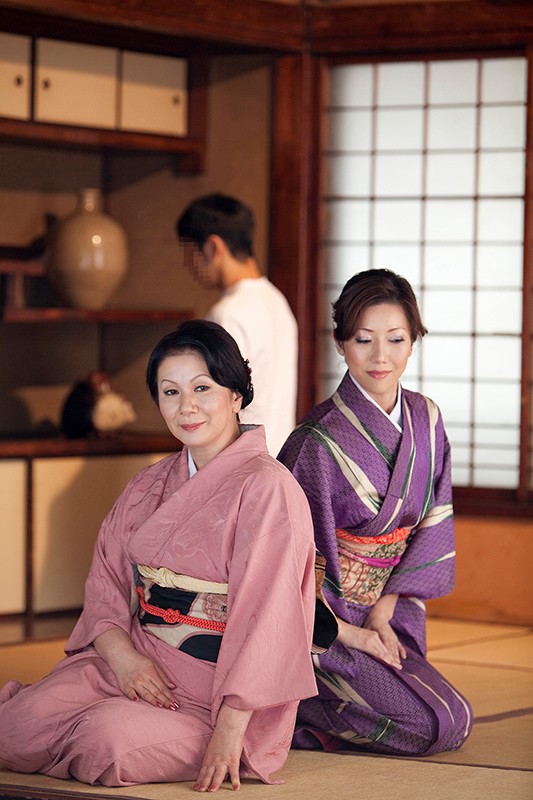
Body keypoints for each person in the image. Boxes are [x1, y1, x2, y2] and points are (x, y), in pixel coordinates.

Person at [0, 320, 317, 792]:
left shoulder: (269, 488)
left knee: (105, 741)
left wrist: (230, 730)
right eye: (171, 392)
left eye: (202, 388)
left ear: (236, 395)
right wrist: (125, 660)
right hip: (135, 661)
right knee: (14, 725)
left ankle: (131, 726)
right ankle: (98, 714)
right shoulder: (147, 484)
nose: (187, 406)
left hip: (215, 693)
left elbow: (270, 618)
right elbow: (105, 587)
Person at [278, 268, 473, 757]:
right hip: (324, 628)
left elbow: (432, 520)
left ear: (413, 342)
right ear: (340, 343)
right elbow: (289, 565)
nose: (380, 356)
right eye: (364, 340)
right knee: (427, 727)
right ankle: (295, 704)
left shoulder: (426, 419)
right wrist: (351, 634)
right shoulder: (315, 441)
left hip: (387, 609)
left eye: (396, 339)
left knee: (456, 718)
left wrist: (384, 609)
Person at [176, 193, 298, 456]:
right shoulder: (277, 302)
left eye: (189, 253)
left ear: (213, 247)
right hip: (278, 460)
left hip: (237, 463)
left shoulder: (228, 315)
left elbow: (212, 407)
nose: (187, 265)